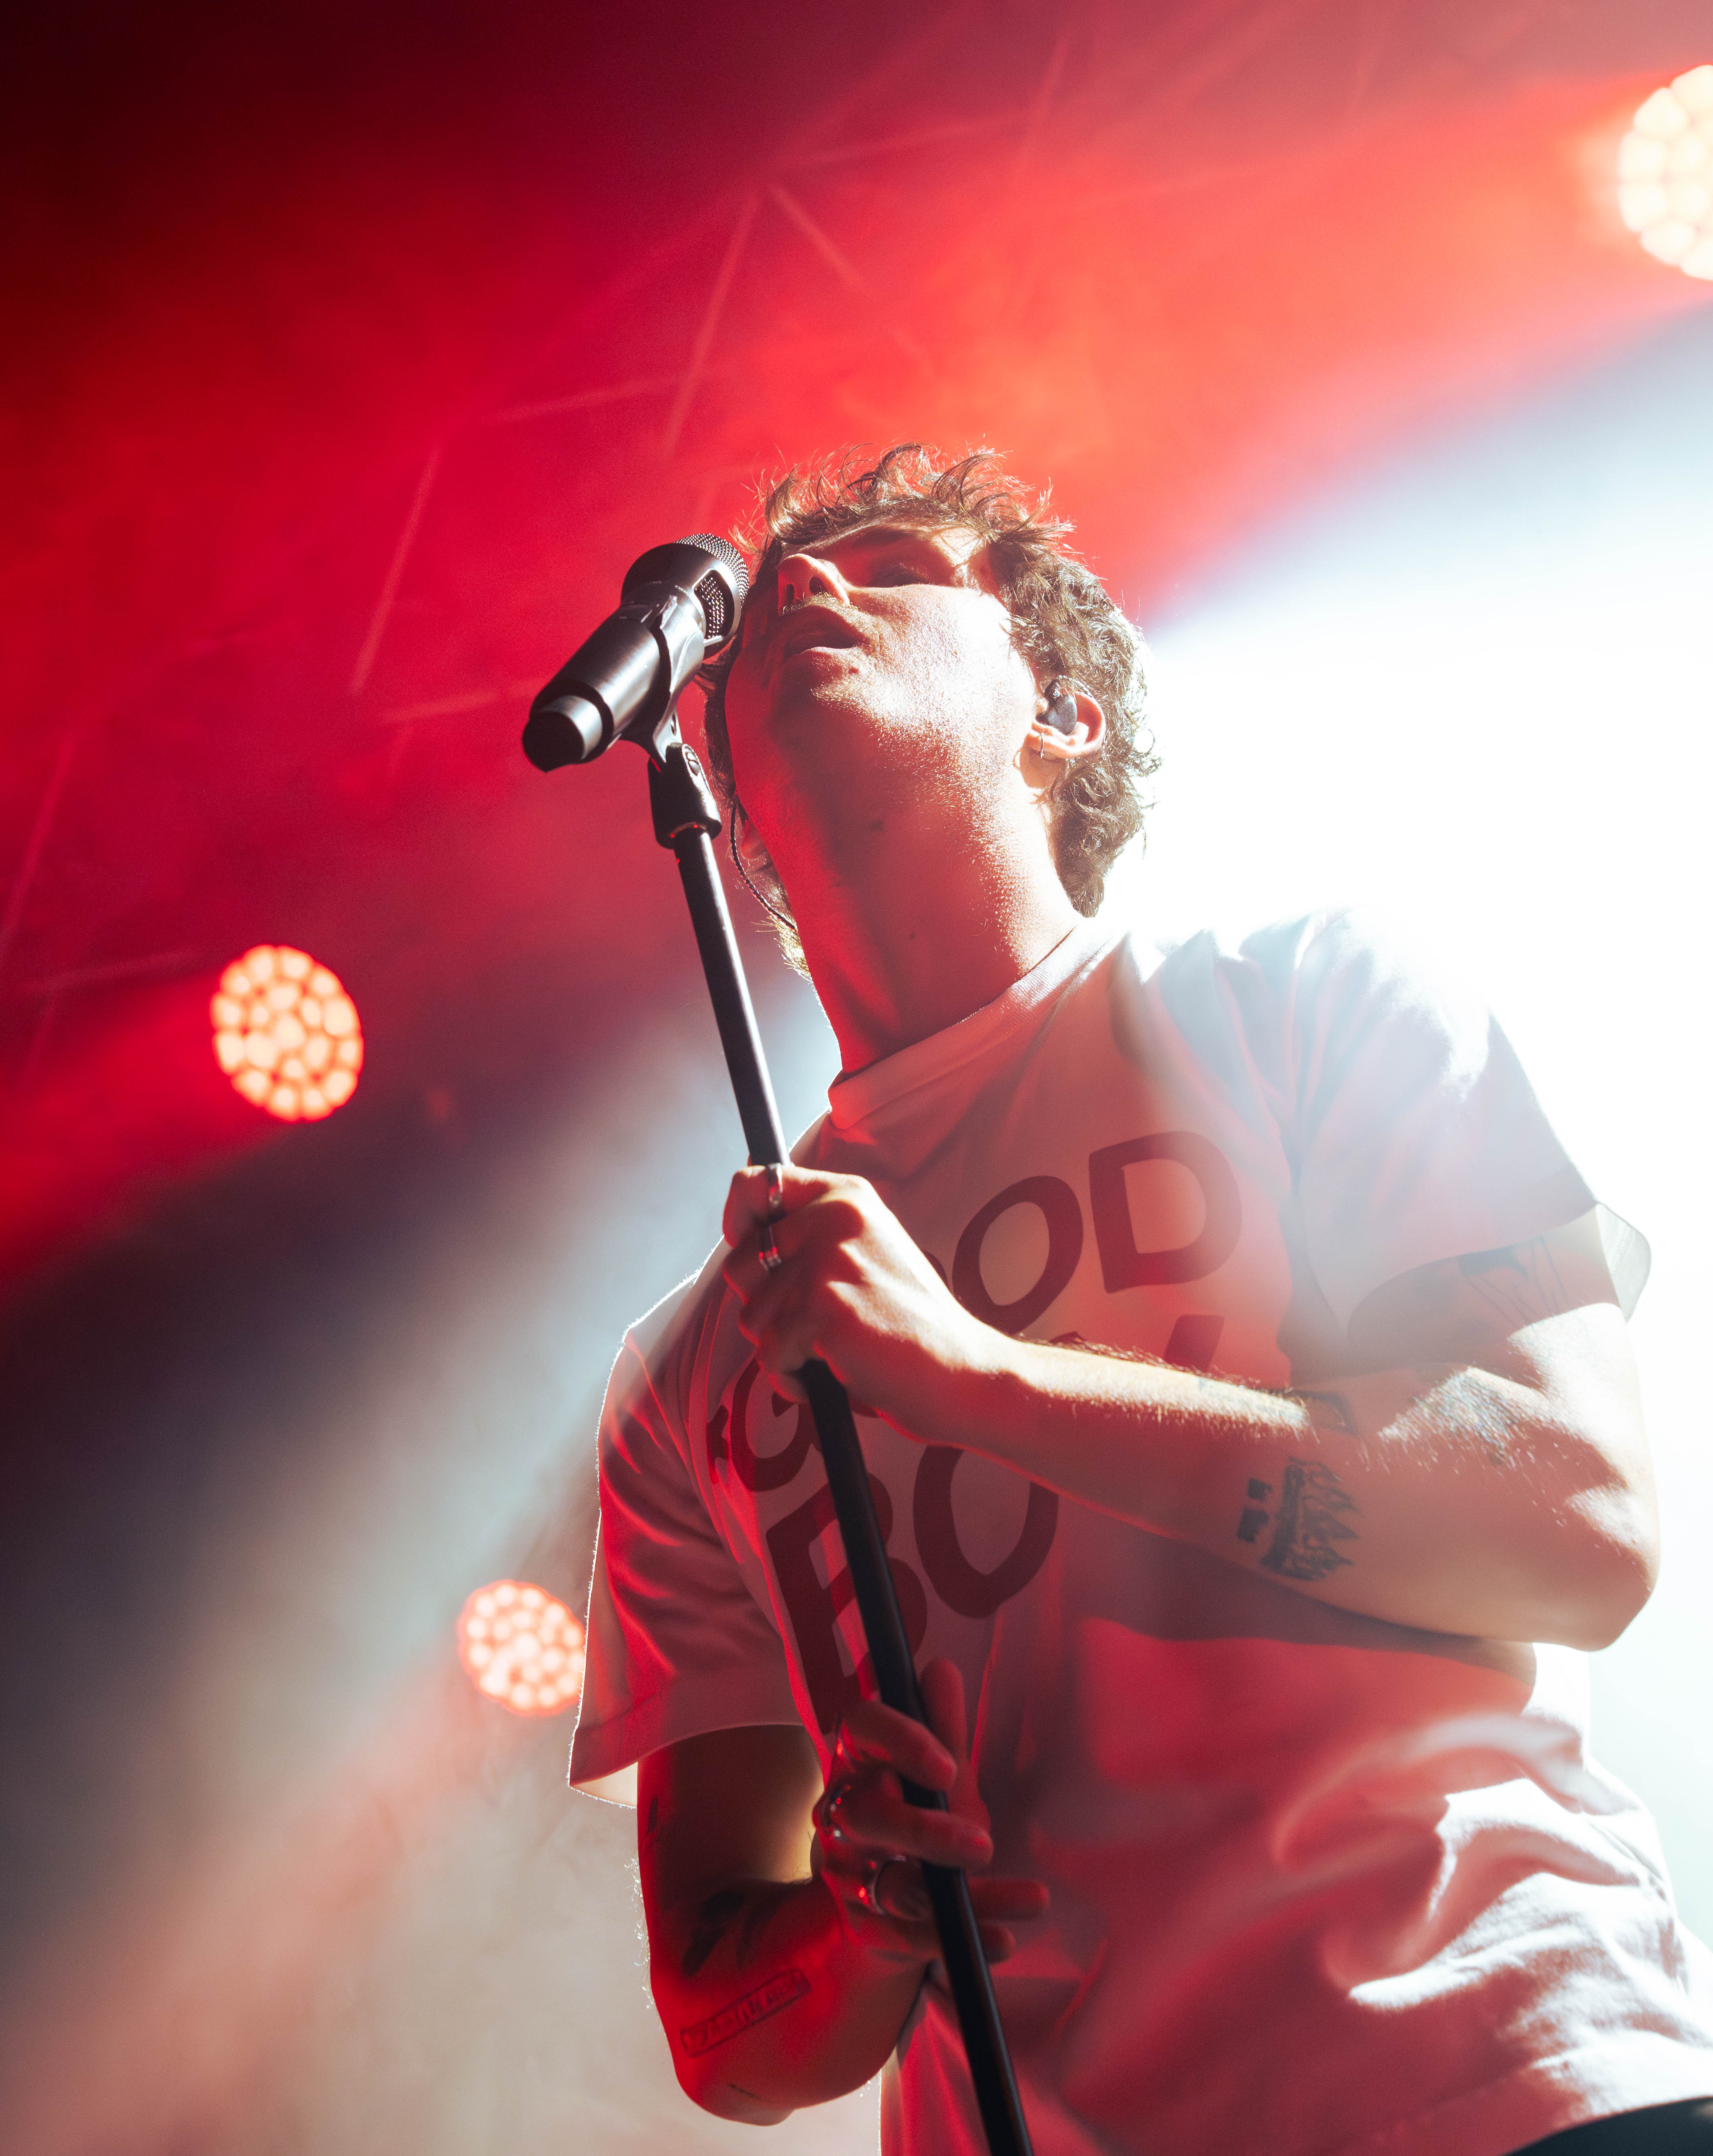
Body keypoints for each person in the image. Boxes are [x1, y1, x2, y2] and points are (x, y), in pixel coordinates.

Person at [566, 444, 1713, 2154]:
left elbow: (1578, 1518)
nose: (800, 584)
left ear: (1066, 714)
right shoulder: (692, 1375)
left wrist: (975, 1379)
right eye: (781, 585)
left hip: (1501, 2079)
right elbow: (728, 2037)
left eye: (891, 565)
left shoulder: (1305, 1003)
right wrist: (862, 1921)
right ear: (719, 800)